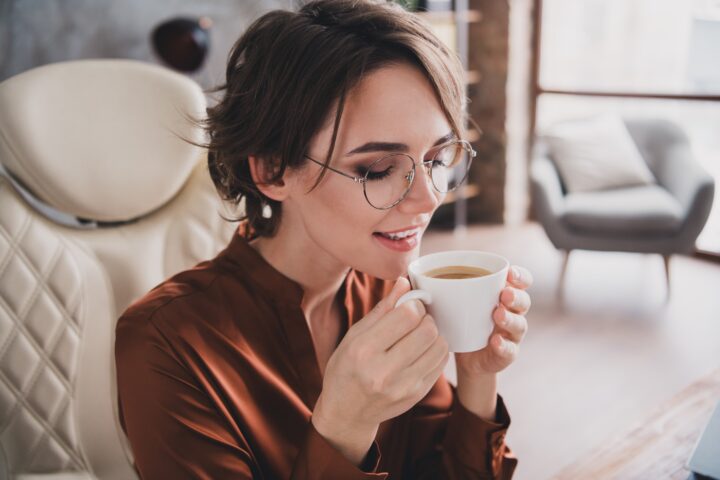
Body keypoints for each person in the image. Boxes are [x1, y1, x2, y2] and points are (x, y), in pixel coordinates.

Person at [115, 1, 532, 478]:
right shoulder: (165, 342)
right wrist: (344, 427)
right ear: (272, 171)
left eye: (437, 160)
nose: (426, 198)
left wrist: (477, 375)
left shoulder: (392, 298)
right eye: (376, 170)